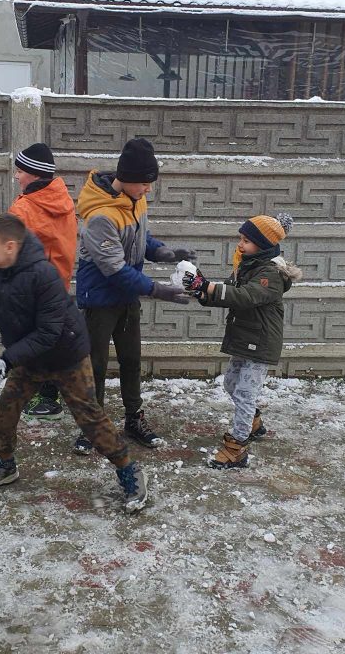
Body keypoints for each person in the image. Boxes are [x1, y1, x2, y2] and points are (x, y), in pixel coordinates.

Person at [0, 214, 148, 512]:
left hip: (66, 357)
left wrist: (6, 359)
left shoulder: (43, 275)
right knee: (6, 409)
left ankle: (129, 470)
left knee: (89, 417)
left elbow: (48, 333)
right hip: (28, 358)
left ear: (9, 247)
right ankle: (4, 464)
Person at [74, 137, 193, 454]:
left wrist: (163, 252)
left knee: (131, 361)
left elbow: (141, 236)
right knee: (95, 367)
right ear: (126, 178)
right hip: (99, 302)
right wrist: (157, 289)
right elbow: (114, 269)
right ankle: (93, 428)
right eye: (144, 183)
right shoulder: (100, 216)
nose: (148, 189)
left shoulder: (134, 199)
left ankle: (133, 420)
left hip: (127, 298)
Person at [0, 142, 76, 420]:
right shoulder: (63, 199)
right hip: (58, 282)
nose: (16, 176)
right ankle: (48, 396)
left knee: (32, 342)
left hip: (33, 288)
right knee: (48, 339)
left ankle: (43, 398)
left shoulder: (26, 208)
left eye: (20, 171)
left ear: (34, 174)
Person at [181, 214, 300, 468]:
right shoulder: (247, 266)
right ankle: (253, 423)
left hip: (261, 341)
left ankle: (236, 449)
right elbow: (230, 293)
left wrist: (207, 285)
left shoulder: (271, 273)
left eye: (246, 240)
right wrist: (201, 291)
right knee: (232, 383)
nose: (240, 244)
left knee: (245, 393)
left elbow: (246, 296)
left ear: (263, 244)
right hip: (245, 337)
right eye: (241, 239)